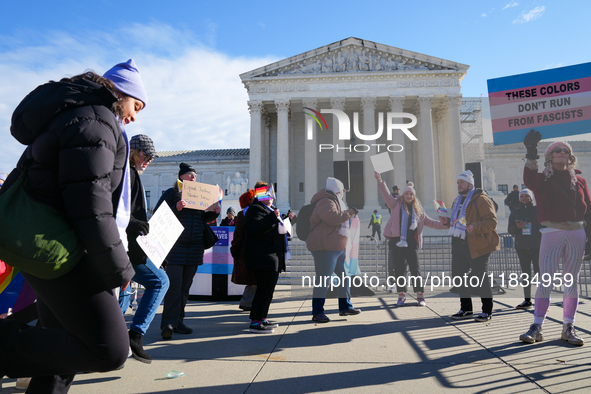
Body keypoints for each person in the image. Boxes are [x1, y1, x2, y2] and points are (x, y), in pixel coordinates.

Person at [0, 59, 146, 393]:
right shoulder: (96, 121)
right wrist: (119, 272)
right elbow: (92, 207)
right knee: (110, 349)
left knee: (59, 353)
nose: (135, 116)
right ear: (119, 94)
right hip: (59, 249)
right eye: (135, 105)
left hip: (42, 242)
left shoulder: (74, 114)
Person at [519, 130, 591, 346]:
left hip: (576, 232)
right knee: (546, 280)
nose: (562, 152)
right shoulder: (542, 178)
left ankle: (568, 326)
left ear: (570, 157)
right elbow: (529, 180)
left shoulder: (580, 180)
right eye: (557, 150)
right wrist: (532, 151)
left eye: (566, 151)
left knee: (572, 281)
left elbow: (588, 210)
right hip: (551, 232)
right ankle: (537, 325)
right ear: (549, 157)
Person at [119, 134, 169, 364]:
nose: (148, 160)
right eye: (145, 155)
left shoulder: (130, 173)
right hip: (126, 246)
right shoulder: (126, 174)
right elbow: (117, 213)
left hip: (130, 245)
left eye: (151, 157)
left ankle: (116, 340)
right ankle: (134, 335)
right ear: (133, 152)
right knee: (159, 282)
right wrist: (137, 224)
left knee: (120, 294)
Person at [155, 163, 220, 340]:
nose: (194, 178)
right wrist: (176, 208)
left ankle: (179, 322)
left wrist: (213, 213)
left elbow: (201, 218)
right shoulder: (171, 193)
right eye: (190, 175)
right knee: (174, 288)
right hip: (175, 249)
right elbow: (158, 214)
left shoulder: (198, 196)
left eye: (195, 176)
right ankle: (167, 324)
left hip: (195, 248)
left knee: (184, 289)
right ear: (181, 176)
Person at [375, 173, 448, 306]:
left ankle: (420, 296)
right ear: (403, 195)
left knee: (415, 269)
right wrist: (380, 181)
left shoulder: (419, 211)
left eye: (411, 194)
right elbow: (386, 195)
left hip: (411, 243)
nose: (409, 196)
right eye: (407, 194)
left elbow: (432, 223)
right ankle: (401, 295)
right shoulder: (395, 205)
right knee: (399, 270)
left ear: (414, 197)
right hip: (396, 242)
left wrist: (447, 224)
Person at [446, 170, 499, 322]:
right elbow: (458, 222)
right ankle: (466, 309)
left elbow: (491, 221)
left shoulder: (481, 199)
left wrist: (475, 227)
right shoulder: (457, 201)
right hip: (459, 243)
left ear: (470, 184)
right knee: (458, 278)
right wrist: (447, 222)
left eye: (462, 182)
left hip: (477, 244)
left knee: (481, 278)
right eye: (457, 182)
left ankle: (487, 311)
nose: (459, 185)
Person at [306, 177, 360, 323]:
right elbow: (332, 218)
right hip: (325, 247)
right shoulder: (326, 201)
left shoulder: (334, 201)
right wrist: (351, 212)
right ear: (338, 190)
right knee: (323, 279)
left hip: (335, 246)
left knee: (343, 277)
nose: (343, 193)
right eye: (342, 190)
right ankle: (317, 312)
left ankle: (345, 307)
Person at [243, 182, 286, 333]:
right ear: (261, 196)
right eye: (267, 196)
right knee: (263, 290)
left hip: (271, 256)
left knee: (268, 290)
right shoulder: (255, 209)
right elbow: (254, 228)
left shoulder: (269, 210)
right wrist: (273, 218)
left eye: (272, 196)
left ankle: (262, 318)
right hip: (262, 257)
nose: (270, 199)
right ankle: (255, 321)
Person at [507, 188, 541, 310]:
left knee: (539, 273)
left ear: (531, 197)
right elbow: (510, 230)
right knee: (526, 274)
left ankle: (542, 300)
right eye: (522, 196)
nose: (524, 198)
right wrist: (517, 226)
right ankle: (527, 300)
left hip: (536, 246)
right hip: (521, 247)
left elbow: (543, 226)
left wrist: (536, 233)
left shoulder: (537, 210)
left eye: (527, 196)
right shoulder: (515, 212)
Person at [230, 190, 257, 312]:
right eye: (253, 198)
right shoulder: (242, 214)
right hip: (246, 252)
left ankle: (248, 302)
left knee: (253, 279)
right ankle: (247, 302)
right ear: (248, 200)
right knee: (252, 279)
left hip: (253, 251)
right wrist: (234, 249)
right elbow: (238, 234)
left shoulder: (255, 212)